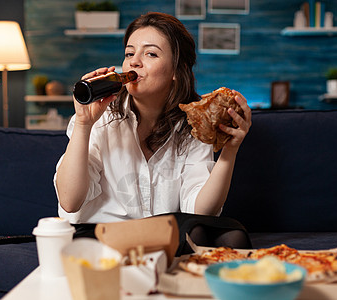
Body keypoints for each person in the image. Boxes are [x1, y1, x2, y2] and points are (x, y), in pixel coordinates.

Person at [54, 12, 253, 254]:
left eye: (150, 53)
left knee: (228, 233)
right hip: (97, 237)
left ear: (175, 71)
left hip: (157, 240)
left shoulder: (192, 125)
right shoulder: (100, 116)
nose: (134, 62)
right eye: (129, 53)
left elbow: (201, 212)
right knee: (200, 235)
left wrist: (230, 150)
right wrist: (84, 123)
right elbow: (69, 201)